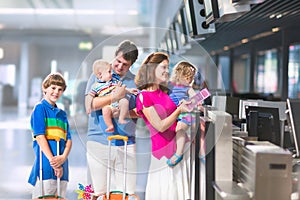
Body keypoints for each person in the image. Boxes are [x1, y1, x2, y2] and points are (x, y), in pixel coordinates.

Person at [85, 40, 139, 199]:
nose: (120, 66)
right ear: (115, 55)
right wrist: (113, 97)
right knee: (99, 192)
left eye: (125, 64)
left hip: (126, 143)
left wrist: (124, 113)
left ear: (131, 65)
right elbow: (90, 105)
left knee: (126, 193)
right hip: (98, 141)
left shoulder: (135, 82)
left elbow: (141, 111)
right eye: (118, 61)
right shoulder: (99, 75)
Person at [134, 52, 192, 200]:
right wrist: (179, 110)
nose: (167, 71)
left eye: (168, 67)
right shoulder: (144, 96)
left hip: (180, 151)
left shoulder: (165, 93)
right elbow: (160, 126)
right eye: (164, 67)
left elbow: (175, 118)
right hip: (163, 155)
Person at [28, 73, 72, 199]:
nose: (56, 92)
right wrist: (55, 164)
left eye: (60, 89)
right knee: (45, 194)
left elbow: (68, 139)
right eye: (53, 88)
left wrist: (63, 157)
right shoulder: (40, 109)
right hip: (46, 164)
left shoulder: (62, 114)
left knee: (59, 196)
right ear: (45, 88)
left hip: (63, 165)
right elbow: (40, 137)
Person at [85, 59, 138, 132]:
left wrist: (129, 90)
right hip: (109, 106)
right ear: (100, 74)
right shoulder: (95, 86)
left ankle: (121, 118)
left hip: (118, 103)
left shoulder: (113, 81)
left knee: (125, 101)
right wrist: (88, 107)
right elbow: (89, 96)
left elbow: (121, 90)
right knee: (105, 110)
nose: (111, 73)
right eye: (109, 72)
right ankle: (110, 125)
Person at [167, 61, 197, 167]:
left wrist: (188, 102)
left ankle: (178, 154)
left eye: (192, 78)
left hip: (185, 114)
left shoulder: (188, 88)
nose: (190, 80)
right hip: (175, 115)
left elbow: (198, 100)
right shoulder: (169, 86)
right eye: (188, 77)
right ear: (180, 75)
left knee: (180, 128)